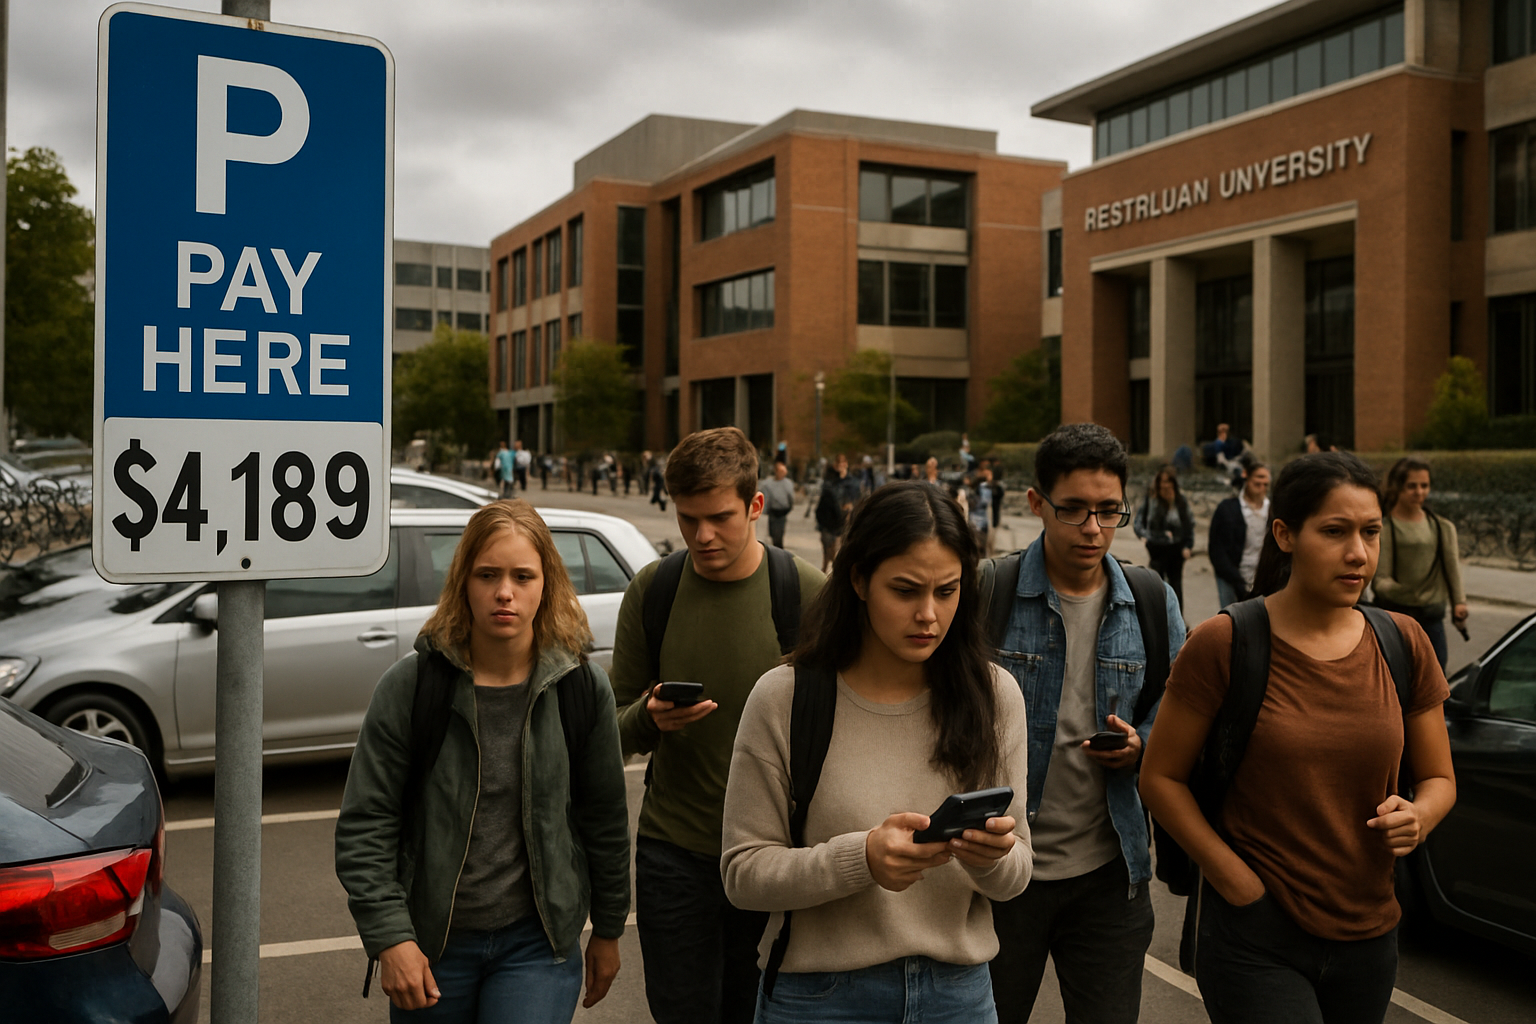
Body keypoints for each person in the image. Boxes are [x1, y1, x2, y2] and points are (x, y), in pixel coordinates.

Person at [1140, 452, 1456, 1024]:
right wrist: (1232, 878)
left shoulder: (1403, 641)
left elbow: (1438, 778)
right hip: (1255, 935)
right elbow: (1160, 777)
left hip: (1371, 930)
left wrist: (1420, 816)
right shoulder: (1225, 641)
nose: (1358, 553)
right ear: (1284, 535)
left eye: (1370, 532)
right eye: (1335, 532)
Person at [722, 482, 1032, 1023]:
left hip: (958, 994)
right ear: (859, 580)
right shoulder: (786, 696)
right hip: (819, 998)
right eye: (906, 591)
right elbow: (743, 874)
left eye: (947, 591)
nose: (929, 615)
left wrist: (993, 857)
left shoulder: (995, 694)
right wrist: (860, 859)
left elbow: (1018, 873)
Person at [334, 500, 631, 1023]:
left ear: (548, 583)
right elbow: (366, 824)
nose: (504, 593)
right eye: (488, 574)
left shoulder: (581, 689)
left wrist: (608, 930)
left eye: (523, 576)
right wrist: (391, 938)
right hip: (432, 948)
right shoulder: (412, 687)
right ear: (463, 580)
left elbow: (604, 819)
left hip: (537, 946)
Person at [609, 427, 825, 1024]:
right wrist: (650, 718)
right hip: (674, 853)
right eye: (687, 519)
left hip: (777, 855)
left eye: (720, 517)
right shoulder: (654, 590)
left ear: (757, 506)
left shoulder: (806, 594)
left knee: (760, 1011)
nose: (702, 535)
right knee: (682, 1011)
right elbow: (610, 727)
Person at [987, 423, 1186, 1024]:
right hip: (1001, 872)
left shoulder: (1152, 599)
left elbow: (1177, 710)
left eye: (1108, 511)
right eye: (1073, 511)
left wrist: (1141, 745)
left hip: (1110, 876)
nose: (1093, 529)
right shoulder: (987, 590)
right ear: (1036, 504)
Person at [1374, 457, 1467, 671]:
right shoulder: (1385, 528)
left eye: (1424, 486)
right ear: (1398, 487)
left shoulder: (1441, 526)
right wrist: (1405, 591)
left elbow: (1452, 568)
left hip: (1431, 616)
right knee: (1396, 673)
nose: (1419, 492)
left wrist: (1459, 603)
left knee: (1435, 672)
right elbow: (1380, 580)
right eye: (1412, 486)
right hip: (1396, 617)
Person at [1133, 465, 1195, 613]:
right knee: (1157, 585)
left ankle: (1177, 619)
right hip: (1157, 548)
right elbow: (1139, 522)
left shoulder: (1180, 500)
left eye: (1168, 481)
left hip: (1176, 549)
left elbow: (1189, 524)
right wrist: (1144, 536)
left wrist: (1188, 545)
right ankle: (1158, 618)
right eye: (1162, 481)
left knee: (1176, 585)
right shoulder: (1152, 499)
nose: (1165, 485)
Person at [1208, 463, 1270, 607]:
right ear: (1247, 479)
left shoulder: (1272, 510)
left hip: (1260, 576)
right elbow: (1216, 548)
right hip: (1231, 575)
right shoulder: (1227, 509)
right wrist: (1233, 576)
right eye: (1258, 481)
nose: (1262, 486)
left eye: (1265, 483)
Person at [814, 454, 855, 572]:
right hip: (827, 520)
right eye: (838, 464)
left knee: (836, 550)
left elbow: (853, 498)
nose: (840, 467)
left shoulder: (851, 482)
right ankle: (825, 569)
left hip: (842, 520)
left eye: (842, 464)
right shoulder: (829, 480)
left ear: (846, 464)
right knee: (827, 548)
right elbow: (824, 499)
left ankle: (833, 571)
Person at [759, 460, 795, 549]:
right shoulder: (768, 483)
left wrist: (789, 508)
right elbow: (765, 495)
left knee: (779, 534)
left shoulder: (788, 484)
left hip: (782, 512)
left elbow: (791, 498)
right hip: (773, 512)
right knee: (772, 533)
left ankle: (779, 548)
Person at [967, 466, 993, 555]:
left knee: (976, 548)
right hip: (979, 522)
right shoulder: (984, 487)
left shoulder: (975, 489)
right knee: (980, 548)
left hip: (975, 521)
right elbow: (984, 502)